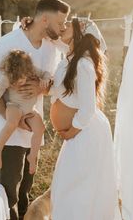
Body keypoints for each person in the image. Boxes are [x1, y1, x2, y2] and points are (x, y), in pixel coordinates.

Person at [0, 0, 70, 220]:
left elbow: (49, 86)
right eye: (60, 23)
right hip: (7, 133)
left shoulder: (51, 48)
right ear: (45, 19)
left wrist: (42, 88)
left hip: (32, 130)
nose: (63, 28)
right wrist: (11, 118)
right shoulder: (6, 43)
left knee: (24, 194)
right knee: (8, 196)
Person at [49, 17, 118, 220]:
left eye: (69, 24)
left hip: (85, 132)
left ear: (79, 33)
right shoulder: (69, 58)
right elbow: (53, 38)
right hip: (78, 132)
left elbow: (88, 108)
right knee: (70, 184)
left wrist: (71, 131)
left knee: (80, 187)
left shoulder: (83, 64)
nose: (64, 26)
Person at [0, 49, 52, 174]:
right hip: (14, 105)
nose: (17, 83)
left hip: (29, 109)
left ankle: (32, 155)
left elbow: (46, 74)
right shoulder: (6, 76)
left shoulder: (31, 69)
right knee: (11, 123)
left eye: (20, 79)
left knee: (40, 129)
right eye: (14, 81)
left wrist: (45, 80)